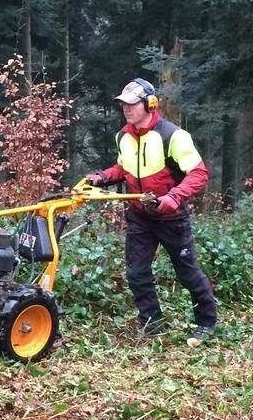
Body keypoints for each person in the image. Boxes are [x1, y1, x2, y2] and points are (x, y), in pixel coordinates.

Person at [87, 78, 217, 338]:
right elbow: (124, 168)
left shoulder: (173, 136)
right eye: (123, 104)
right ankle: (152, 325)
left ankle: (206, 322)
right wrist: (102, 177)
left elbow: (199, 173)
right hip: (139, 216)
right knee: (137, 273)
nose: (126, 109)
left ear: (149, 104)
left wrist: (174, 196)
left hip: (170, 217)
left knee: (187, 272)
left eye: (132, 104)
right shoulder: (123, 136)